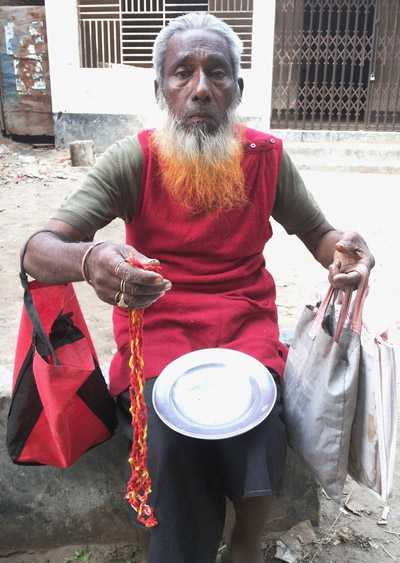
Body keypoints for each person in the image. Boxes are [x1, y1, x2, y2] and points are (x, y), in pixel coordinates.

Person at [23, 12, 374, 563]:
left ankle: (245, 548)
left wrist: (347, 255)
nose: (200, 88)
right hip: (158, 332)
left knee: (261, 419)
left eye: (216, 73)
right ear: (161, 89)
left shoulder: (266, 159)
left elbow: (322, 236)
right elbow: (38, 249)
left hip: (244, 330)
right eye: (182, 73)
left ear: (238, 88)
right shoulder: (133, 159)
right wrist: (90, 259)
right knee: (172, 436)